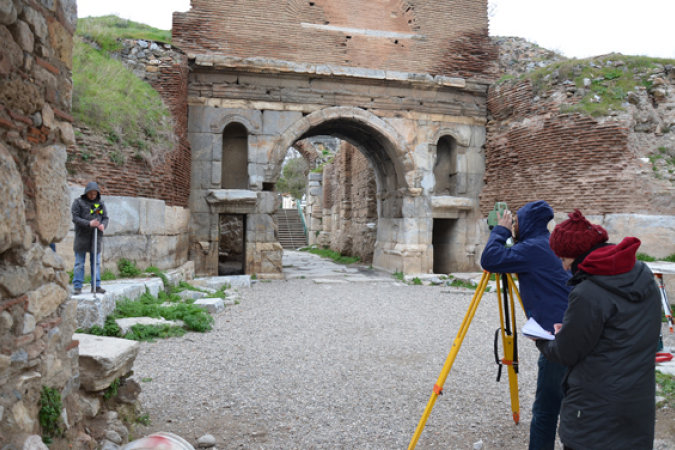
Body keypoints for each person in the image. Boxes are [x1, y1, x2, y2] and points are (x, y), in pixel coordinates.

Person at [536, 209, 661, 450]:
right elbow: (621, 331)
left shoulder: (588, 291)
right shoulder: (643, 274)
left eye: (563, 259)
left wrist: (543, 339)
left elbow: (566, 352)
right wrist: (574, 328)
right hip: (637, 401)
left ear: (576, 255)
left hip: (595, 410)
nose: (562, 268)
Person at [480, 200, 571, 450]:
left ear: (527, 223)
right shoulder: (549, 244)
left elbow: (490, 259)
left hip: (558, 338)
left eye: (517, 221)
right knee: (573, 401)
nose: (514, 225)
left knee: (546, 407)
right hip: (573, 328)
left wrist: (500, 231)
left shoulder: (532, 248)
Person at [71, 181, 109, 295]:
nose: (93, 196)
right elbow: (75, 218)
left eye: (95, 194)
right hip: (82, 237)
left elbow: (105, 218)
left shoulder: (100, 204)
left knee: (96, 262)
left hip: (95, 238)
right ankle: (77, 286)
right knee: (79, 263)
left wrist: (103, 225)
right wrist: (88, 223)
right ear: (86, 192)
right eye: (90, 193)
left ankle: (96, 285)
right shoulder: (78, 202)